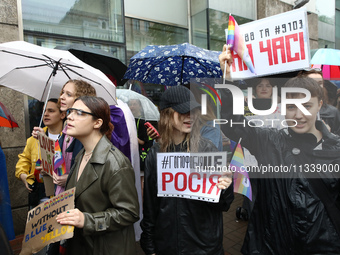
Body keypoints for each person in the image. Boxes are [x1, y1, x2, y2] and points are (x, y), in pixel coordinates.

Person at [219, 44, 340, 254]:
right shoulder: (268, 140)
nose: (299, 115)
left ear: (320, 105)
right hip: (272, 245)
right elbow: (232, 123)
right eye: (292, 107)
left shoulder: (336, 149)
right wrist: (229, 79)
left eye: (307, 106)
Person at [140, 85, 234, 255]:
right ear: (167, 114)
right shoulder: (155, 154)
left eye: (193, 110)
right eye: (183, 111)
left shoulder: (207, 149)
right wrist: (149, 245)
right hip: (167, 244)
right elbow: (150, 206)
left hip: (204, 246)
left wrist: (226, 186)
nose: (190, 116)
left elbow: (224, 204)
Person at [56, 96, 139, 255]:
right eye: (70, 111)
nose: (70, 117)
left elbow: (129, 212)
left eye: (79, 113)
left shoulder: (115, 163)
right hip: (82, 245)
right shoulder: (81, 155)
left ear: (97, 122)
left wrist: (86, 220)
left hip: (106, 248)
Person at [16, 98, 65, 208]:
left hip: (62, 193)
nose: (46, 114)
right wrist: (25, 177)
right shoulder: (33, 139)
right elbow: (22, 162)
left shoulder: (68, 138)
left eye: (51, 111)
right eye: (44, 111)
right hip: (40, 193)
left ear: (62, 115)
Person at [297, 68, 340, 135]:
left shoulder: (333, 113)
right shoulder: (292, 111)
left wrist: (329, 135)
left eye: (320, 83)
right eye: (312, 82)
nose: (317, 86)